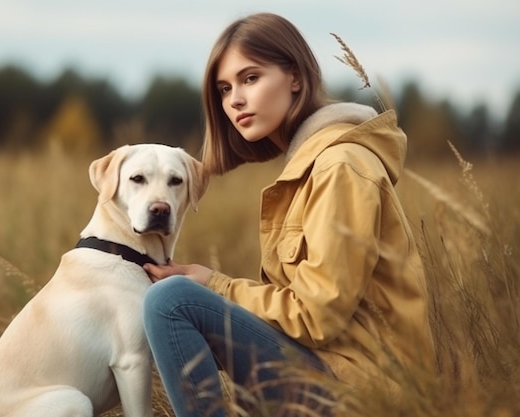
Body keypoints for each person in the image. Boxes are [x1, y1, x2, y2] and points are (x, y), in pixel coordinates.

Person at [142, 12, 432, 417]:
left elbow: (317, 314)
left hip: (364, 392)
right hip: (331, 371)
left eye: (250, 78)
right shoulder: (312, 165)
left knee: (170, 301)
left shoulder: (339, 166)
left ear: (295, 77)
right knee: (176, 297)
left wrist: (217, 286)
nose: (235, 100)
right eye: (225, 89)